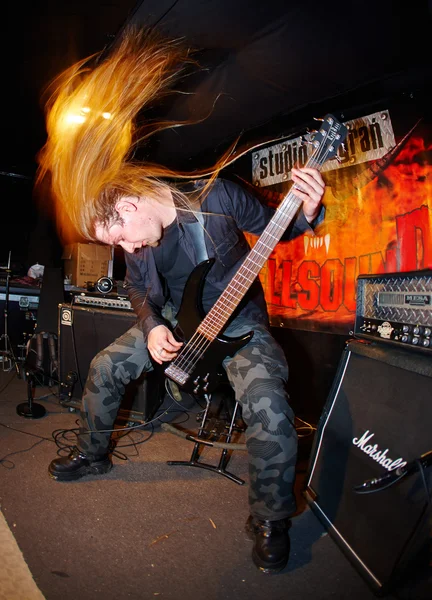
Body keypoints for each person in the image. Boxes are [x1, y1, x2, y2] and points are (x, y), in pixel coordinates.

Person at [37, 26, 325, 574]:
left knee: (269, 404)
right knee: (105, 366)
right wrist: (148, 326)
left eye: (119, 236)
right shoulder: (133, 240)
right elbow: (137, 289)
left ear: (129, 200)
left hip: (236, 318)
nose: (123, 247)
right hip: (174, 319)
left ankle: (270, 518)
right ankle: (93, 455)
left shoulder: (217, 197)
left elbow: (277, 230)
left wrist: (307, 211)